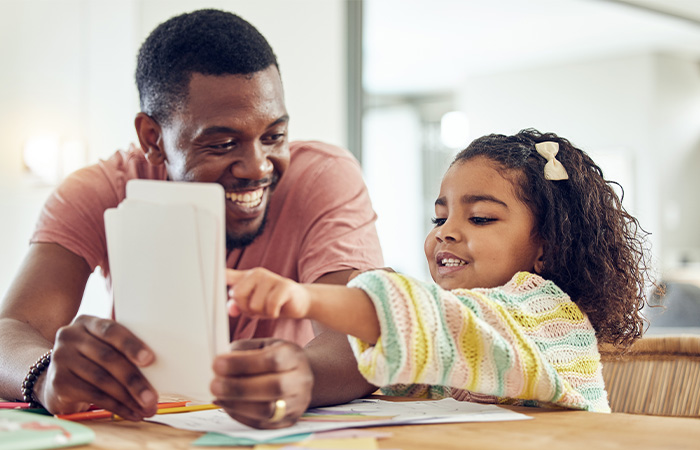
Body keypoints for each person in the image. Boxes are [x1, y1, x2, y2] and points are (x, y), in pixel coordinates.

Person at [0, 9, 383, 429]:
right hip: (148, 429)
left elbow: (361, 330)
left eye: (274, 136)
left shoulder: (323, 176)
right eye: (221, 143)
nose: (258, 167)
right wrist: (44, 372)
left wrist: (302, 374)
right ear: (154, 138)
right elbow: (11, 329)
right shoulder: (100, 189)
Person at [227, 129, 654, 413]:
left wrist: (304, 297)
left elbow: (438, 325)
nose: (446, 234)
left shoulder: (547, 314)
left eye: (481, 218)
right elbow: (401, 365)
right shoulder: (454, 325)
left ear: (547, 246)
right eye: (439, 219)